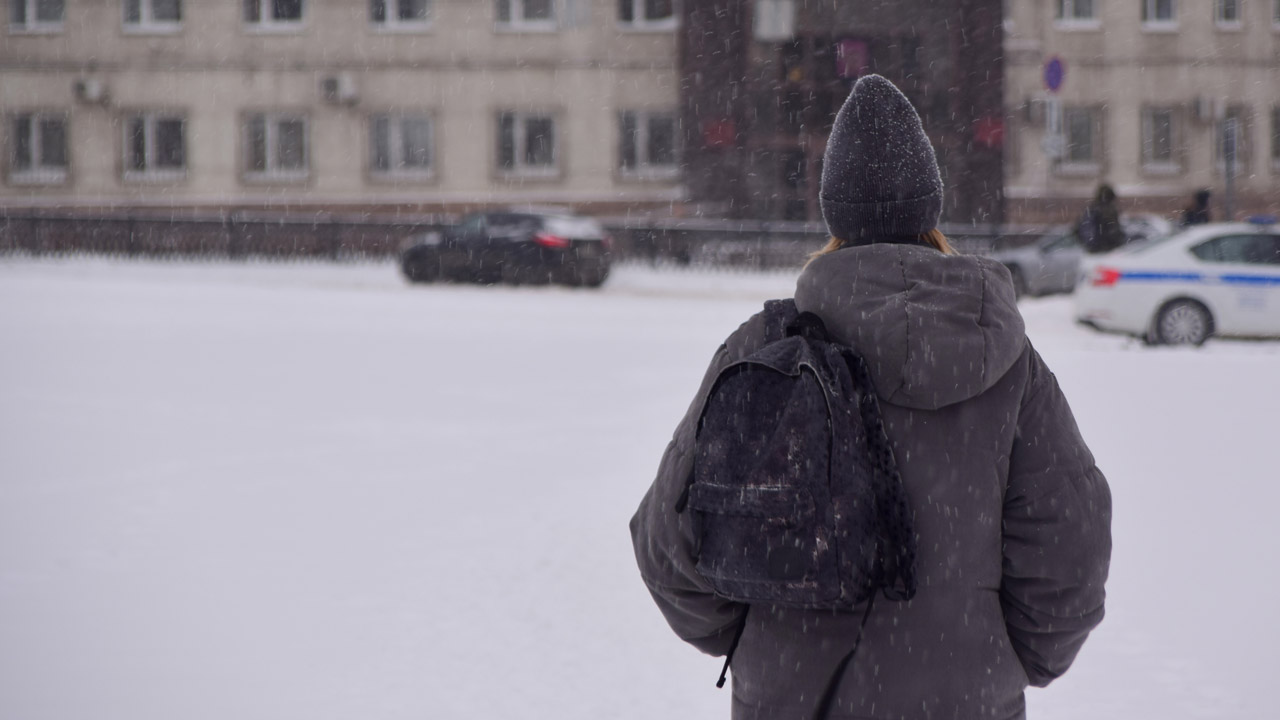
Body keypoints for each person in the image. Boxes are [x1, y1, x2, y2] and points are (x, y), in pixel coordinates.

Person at [630, 75, 1112, 720]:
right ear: (930, 211)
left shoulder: (764, 349)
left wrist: (762, 642)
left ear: (834, 213)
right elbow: (1069, 547)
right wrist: (1000, 662)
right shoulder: (1009, 362)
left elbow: (668, 545)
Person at [1078, 183, 1126, 253]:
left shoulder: (1093, 209)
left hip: (1100, 248)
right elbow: (1113, 231)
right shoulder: (1103, 210)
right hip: (1105, 249)